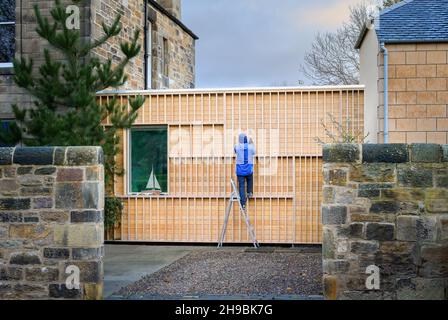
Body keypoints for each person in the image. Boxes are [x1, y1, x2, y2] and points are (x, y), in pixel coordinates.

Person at [234, 133, 255, 209]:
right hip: (248, 170)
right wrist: (251, 143)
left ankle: (243, 204)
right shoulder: (250, 147)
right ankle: (250, 193)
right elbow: (254, 152)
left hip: (240, 171)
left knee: (241, 187)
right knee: (250, 179)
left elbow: (235, 150)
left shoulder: (237, 146)